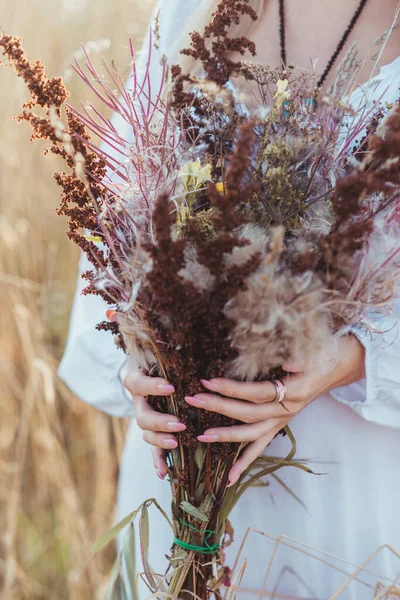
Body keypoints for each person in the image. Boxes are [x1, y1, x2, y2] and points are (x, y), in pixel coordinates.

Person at [59, 0, 400, 597]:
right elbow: (114, 242)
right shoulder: (190, 13)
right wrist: (140, 360)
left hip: (345, 482)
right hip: (182, 472)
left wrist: (347, 360)